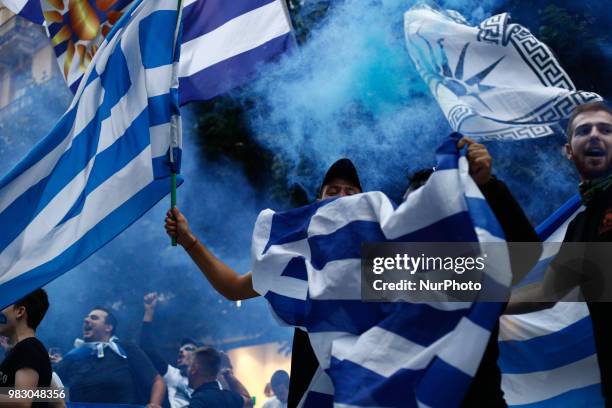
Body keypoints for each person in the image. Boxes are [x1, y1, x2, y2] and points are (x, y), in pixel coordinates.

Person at [164, 158, 363, 407]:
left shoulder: (381, 256)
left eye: (350, 192)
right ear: (318, 203)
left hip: (367, 383)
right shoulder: (299, 257)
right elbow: (233, 286)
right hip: (314, 384)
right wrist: (189, 241)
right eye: (332, 192)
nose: (340, 198)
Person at [407, 137, 542, 407]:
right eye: (412, 209)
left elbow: (526, 252)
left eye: (437, 207)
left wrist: (487, 186)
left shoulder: (478, 275)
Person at [506, 101, 612, 404]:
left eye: (606, 129)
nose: (594, 135)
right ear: (569, 150)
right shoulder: (580, 226)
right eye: (584, 130)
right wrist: (483, 303)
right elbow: (545, 293)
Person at [55, 306, 166, 407]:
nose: (86, 320)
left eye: (94, 318)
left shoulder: (125, 349)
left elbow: (157, 381)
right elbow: (47, 391)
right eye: (86, 318)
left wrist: (154, 404)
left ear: (108, 327)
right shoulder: (73, 357)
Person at [0, 289, 52, 408]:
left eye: (5, 304)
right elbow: (58, 402)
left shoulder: (29, 348)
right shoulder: (28, 349)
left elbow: (22, 401)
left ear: (20, 311)